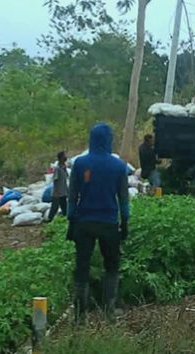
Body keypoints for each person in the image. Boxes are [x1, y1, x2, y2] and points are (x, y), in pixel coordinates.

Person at [67, 124, 130, 322]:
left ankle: (80, 316)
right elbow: (123, 198)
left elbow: (72, 196)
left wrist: (71, 220)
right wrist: (125, 222)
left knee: (82, 266)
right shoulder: (119, 166)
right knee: (111, 265)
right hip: (108, 224)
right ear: (109, 140)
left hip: (84, 223)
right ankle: (109, 311)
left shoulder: (80, 163)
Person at [47, 151, 68, 222]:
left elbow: (65, 179)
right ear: (61, 158)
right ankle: (49, 220)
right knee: (55, 207)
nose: (66, 157)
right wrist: (56, 192)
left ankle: (65, 219)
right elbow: (55, 180)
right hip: (57, 192)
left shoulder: (64, 168)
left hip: (63, 192)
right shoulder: (57, 168)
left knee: (64, 207)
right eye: (64, 156)